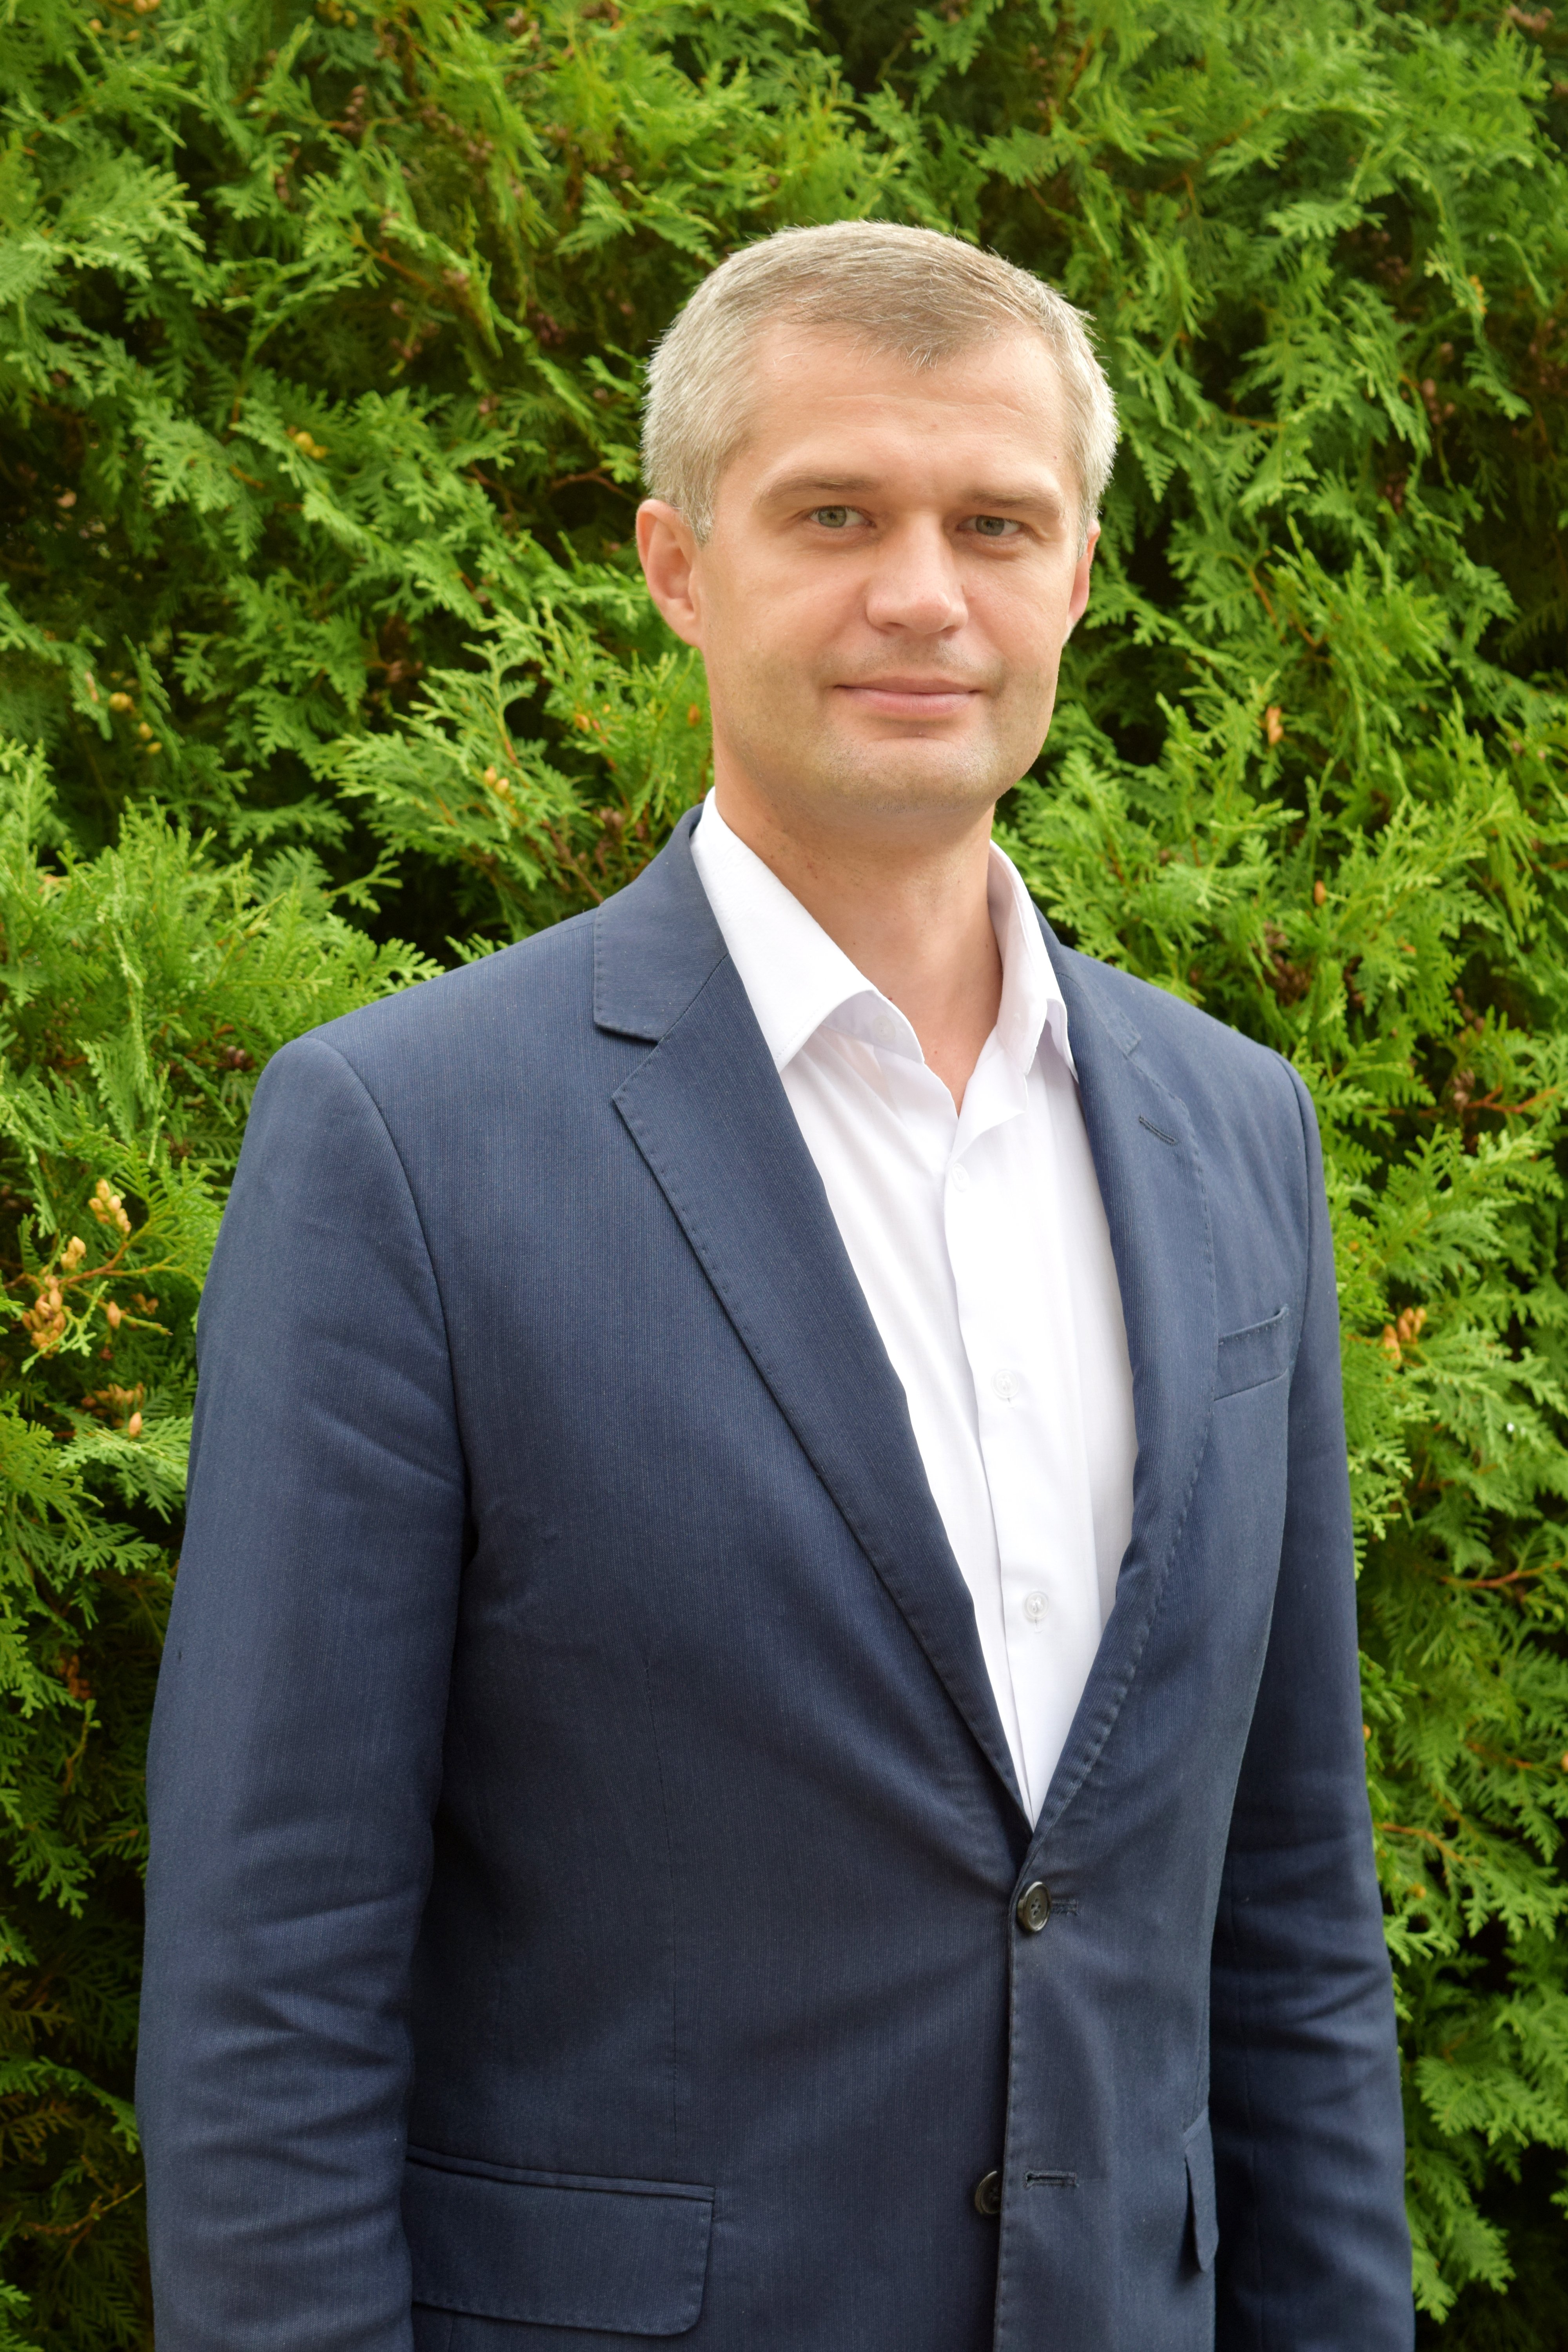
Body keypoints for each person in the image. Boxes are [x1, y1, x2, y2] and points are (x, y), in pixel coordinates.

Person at [136, 221, 1414, 2352]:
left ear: (1078, 579)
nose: (924, 592)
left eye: (995, 523)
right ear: (679, 564)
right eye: (835, 514)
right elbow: (275, 1966)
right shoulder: (406, 1141)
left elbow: (1291, 1912)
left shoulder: (1235, 1128)